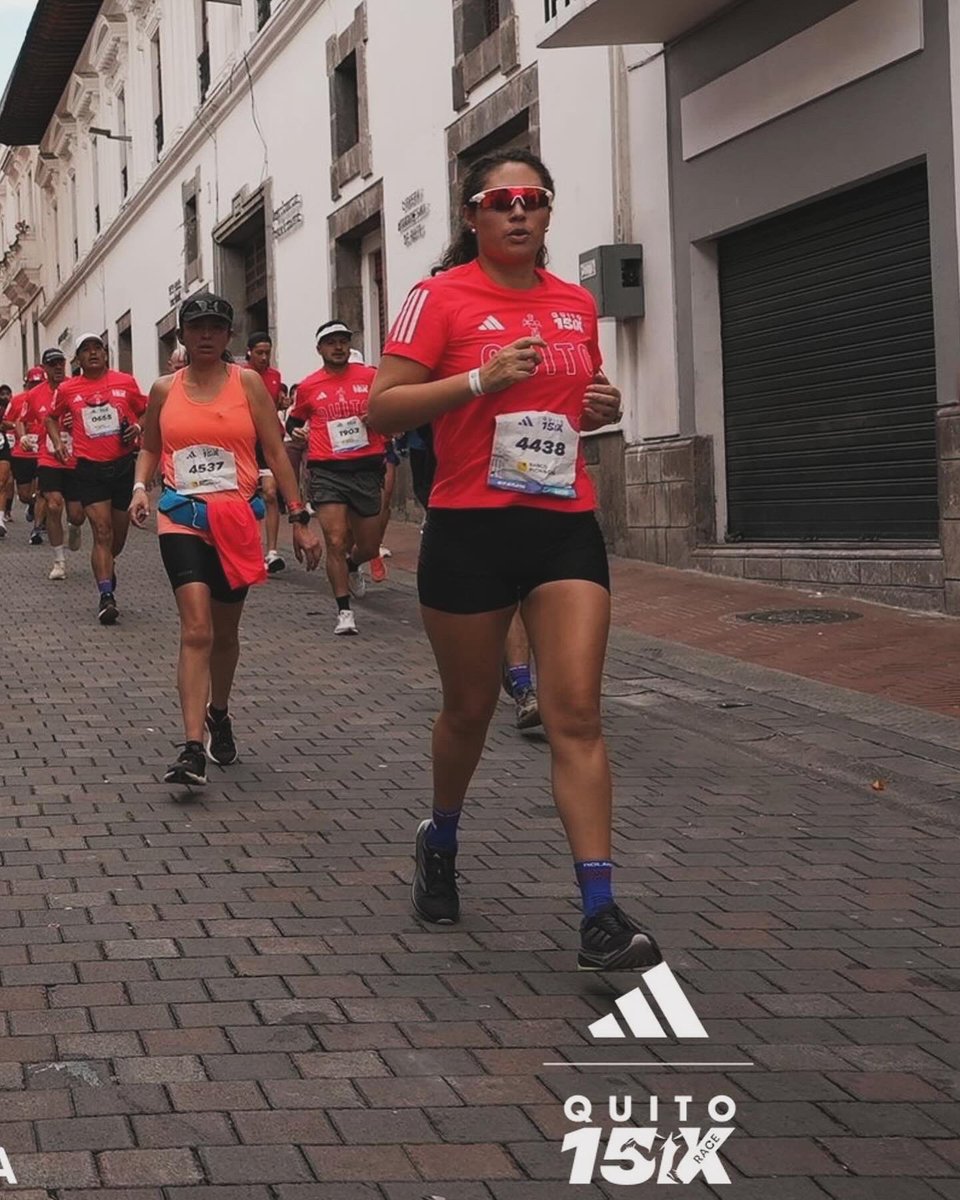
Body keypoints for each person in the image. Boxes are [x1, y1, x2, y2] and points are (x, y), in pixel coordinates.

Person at [368, 149, 662, 972]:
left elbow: (584, 395)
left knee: (575, 713)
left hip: (563, 522)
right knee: (468, 711)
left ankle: (600, 913)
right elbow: (382, 407)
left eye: (532, 199)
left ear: (548, 211)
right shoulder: (438, 297)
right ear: (472, 216)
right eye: (500, 202)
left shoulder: (573, 302)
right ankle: (442, 835)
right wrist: (476, 381)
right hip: (469, 527)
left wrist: (603, 402)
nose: (517, 213)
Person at [129, 292, 322, 787]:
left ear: (228, 334)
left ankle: (219, 711)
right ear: (183, 336)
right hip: (182, 516)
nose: (207, 336)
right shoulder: (163, 390)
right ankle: (192, 747)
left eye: (216, 327)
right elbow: (151, 446)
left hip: (235, 521)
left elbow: (276, 452)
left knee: (225, 634)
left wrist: (299, 515)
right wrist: (139, 489)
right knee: (196, 629)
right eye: (197, 328)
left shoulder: (249, 383)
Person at [287, 320, 384, 636]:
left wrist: (380, 416)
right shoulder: (309, 386)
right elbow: (294, 421)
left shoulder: (370, 376)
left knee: (368, 545)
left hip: (367, 466)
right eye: (331, 342)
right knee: (336, 539)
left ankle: (355, 565)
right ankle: (344, 611)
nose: (338, 347)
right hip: (327, 469)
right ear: (320, 349)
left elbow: (391, 406)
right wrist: (298, 431)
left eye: (343, 341)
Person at [46, 333, 147, 624]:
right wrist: (59, 443)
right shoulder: (67, 388)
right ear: (78, 358)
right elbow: (51, 417)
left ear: (106, 354)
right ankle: (106, 596)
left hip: (122, 466)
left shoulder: (125, 382)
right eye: (85, 350)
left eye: (97, 349)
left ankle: (108, 566)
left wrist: (138, 428)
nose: (92, 354)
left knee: (117, 538)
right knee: (101, 532)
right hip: (89, 469)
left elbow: (146, 411)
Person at [30, 348, 82, 578]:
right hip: (48, 456)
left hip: (75, 457)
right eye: (53, 364)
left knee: (77, 514)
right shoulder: (34, 395)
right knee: (53, 504)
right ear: (44, 369)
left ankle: (75, 526)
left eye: (61, 362)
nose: (59, 367)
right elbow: (24, 420)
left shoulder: (76, 387)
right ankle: (59, 562)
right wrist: (24, 437)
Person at [245, 331, 286, 574]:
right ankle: (251, 549)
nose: (264, 357)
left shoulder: (274, 377)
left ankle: (272, 552)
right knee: (248, 499)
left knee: (270, 494)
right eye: (259, 353)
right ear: (249, 352)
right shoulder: (240, 375)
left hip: (269, 442)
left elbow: (275, 402)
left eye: (267, 353)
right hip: (247, 444)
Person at [10, 367, 47, 544]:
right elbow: (9, 420)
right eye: (33, 383)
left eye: (39, 383)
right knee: (25, 495)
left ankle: (37, 529)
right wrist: (21, 433)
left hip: (44, 452)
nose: (36, 387)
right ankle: (32, 506)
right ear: (27, 383)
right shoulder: (18, 400)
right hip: (23, 452)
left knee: (42, 491)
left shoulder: (50, 398)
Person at [0, 383, 14, 536]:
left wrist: (10, 425)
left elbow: (12, 423)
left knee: (3, 482)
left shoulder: (9, 407)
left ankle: (0, 520)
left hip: (2, 445)